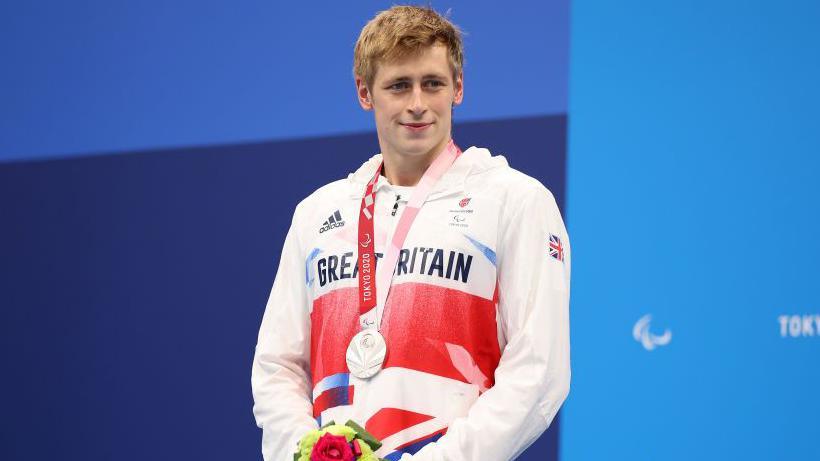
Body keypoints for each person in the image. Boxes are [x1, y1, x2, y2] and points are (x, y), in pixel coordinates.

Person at [251, 5, 570, 460]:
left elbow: (539, 371)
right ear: (365, 93)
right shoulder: (317, 214)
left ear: (458, 88)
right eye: (399, 85)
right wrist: (304, 454)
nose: (417, 103)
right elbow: (278, 365)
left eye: (433, 83)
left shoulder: (515, 201)